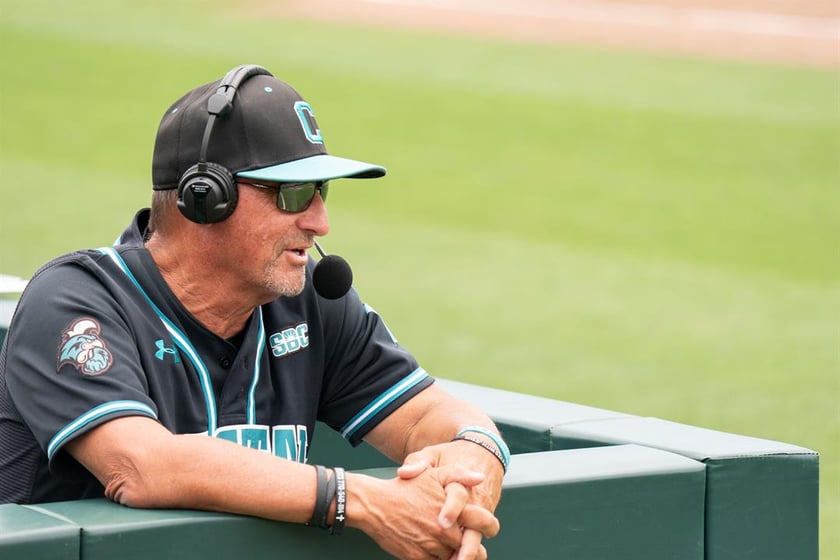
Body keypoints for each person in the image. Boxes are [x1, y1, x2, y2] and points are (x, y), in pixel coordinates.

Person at [0, 65, 508, 560]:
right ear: (205, 199)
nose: (320, 222)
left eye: (321, 191)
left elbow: (426, 416)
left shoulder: (309, 300)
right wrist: (363, 502)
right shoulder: (74, 300)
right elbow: (140, 467)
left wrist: (477, 452)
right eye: (294, 194)